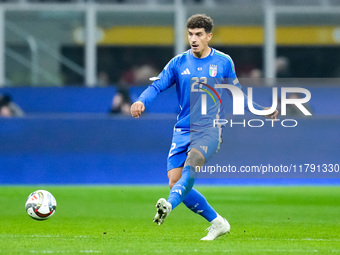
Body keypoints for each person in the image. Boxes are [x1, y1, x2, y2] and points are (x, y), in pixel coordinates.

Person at [130, 14, 278, 241]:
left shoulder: (223, 62)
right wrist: (141, 101)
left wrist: (261, 109)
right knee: (174, 181)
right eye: (190, 34)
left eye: (199, 34)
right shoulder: (178, 63)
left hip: (210, 129)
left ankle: (169, 205)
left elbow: (236, 93)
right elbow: (157, 86)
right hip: (182, 130)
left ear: (209, 36)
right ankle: (218, 222)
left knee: (193, 162)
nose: (194, 39)